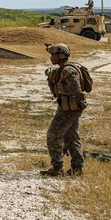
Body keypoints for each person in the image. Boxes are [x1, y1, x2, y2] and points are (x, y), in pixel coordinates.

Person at [41, 43, 86, 176]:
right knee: (72, 137)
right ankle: (77, 168)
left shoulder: (68, 70)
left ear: (60, 55)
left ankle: (57, 167)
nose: (51, 57)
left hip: (70, 108)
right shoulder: (64, 69)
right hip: (70, 107)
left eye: (53, 55)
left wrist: (59, 88)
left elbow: (75, 89)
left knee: (53, 135)